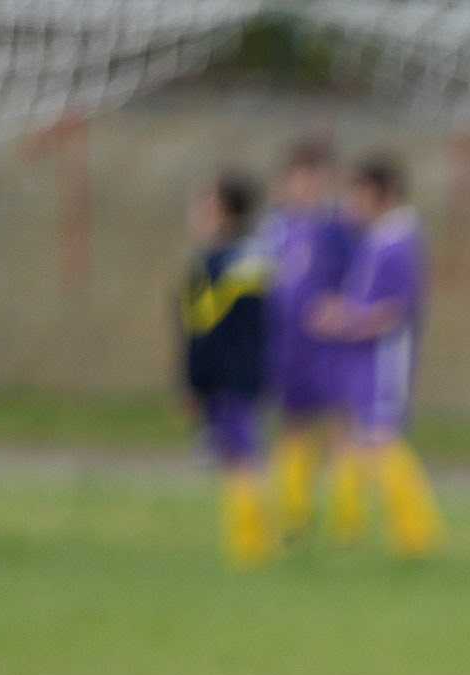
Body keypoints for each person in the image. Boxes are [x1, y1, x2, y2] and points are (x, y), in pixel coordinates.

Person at [305, 152, 434, 558]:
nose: (352, 203)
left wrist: (346, 320)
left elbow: (395, 309)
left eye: (359, 194)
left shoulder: (399, 242)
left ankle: (417, 537)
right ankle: (350, 529)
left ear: (383, 193)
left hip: (385, 360)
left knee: (382, 440)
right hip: (362, 360)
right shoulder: (378, 237)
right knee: (357, 442)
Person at [177, 170, 276, 569]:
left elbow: (203, 331)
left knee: (242, 460)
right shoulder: (252, 260)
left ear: (223, 212)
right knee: (240, 458)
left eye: (205, 205)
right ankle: (252, 543)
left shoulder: (219, 267)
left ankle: (252, 548)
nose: (196, 213)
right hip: (243, 376)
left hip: (228, 379)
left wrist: (195, 383)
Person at [261, 139, 353, 540]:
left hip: (329, 348)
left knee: (338, 428)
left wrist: (341, 310)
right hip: (288, 346)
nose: (307, 186)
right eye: (300, 179)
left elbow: (356, 280)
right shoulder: (274, 229)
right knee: (292, 426)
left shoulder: (337, 229)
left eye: (314, 179)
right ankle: (294, 515)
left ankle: (346, 521)